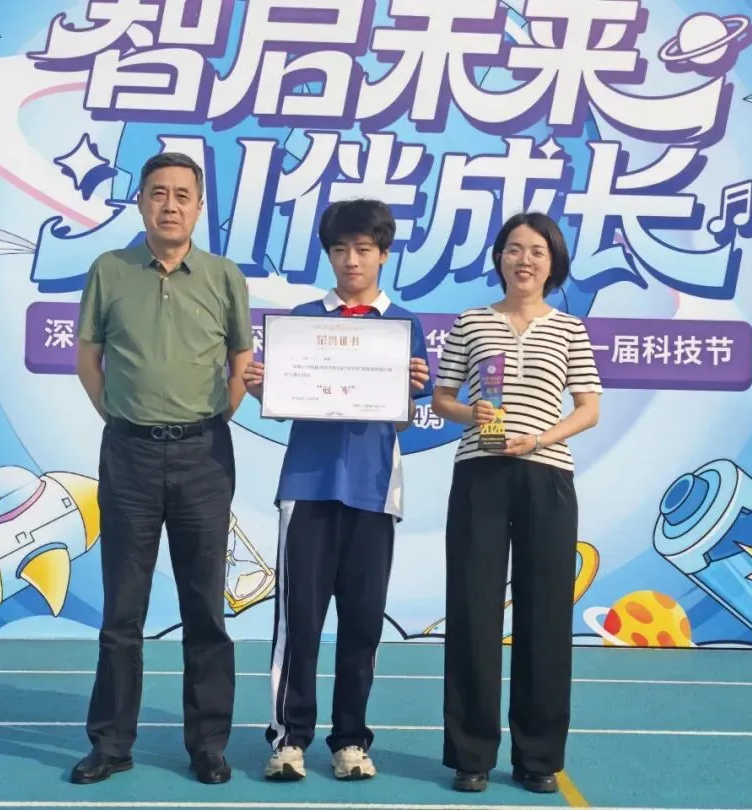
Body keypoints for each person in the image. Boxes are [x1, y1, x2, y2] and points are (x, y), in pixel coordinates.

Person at [71, 152, 253, 786]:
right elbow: (89, 359)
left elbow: (241, 361)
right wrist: (126, 418)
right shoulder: (110, 269)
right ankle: (111, 744)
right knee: (123, 612)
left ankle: (208, 746)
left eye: (182, 195)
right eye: (157, 193)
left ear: (199, 207)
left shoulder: (224, 276)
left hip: (205, 456)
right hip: (129, 455)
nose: (169, 205)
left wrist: (210, 420)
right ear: (141, 202)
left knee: (205, 609)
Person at [241, 198, 432, 783]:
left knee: (363, 625)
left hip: (374, 491)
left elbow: (402, 422)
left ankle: (350, 740)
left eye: (364, 249)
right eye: (341, 249)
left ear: (384, 255)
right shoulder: (302, 321)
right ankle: (288, 739)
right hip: (307, 487)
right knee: (298, 622)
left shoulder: (404, 325)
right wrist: (262, 389)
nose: (353, 260)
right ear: (328, 255)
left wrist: (407, 391)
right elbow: (283, 404)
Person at [430, 212, 602, 794]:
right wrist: (469, 412)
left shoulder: (569, 329)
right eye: (513, 249)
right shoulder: (472, 321)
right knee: (473, 610)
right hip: (479, 473)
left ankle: (538, 756)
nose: (524, 260)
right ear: (499, 258)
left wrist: (542, 438)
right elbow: (443, 397)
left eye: (536, 251)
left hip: (547, 475)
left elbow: (588, 408)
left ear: (553, 264)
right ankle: (471, 754)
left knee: (545, 615)